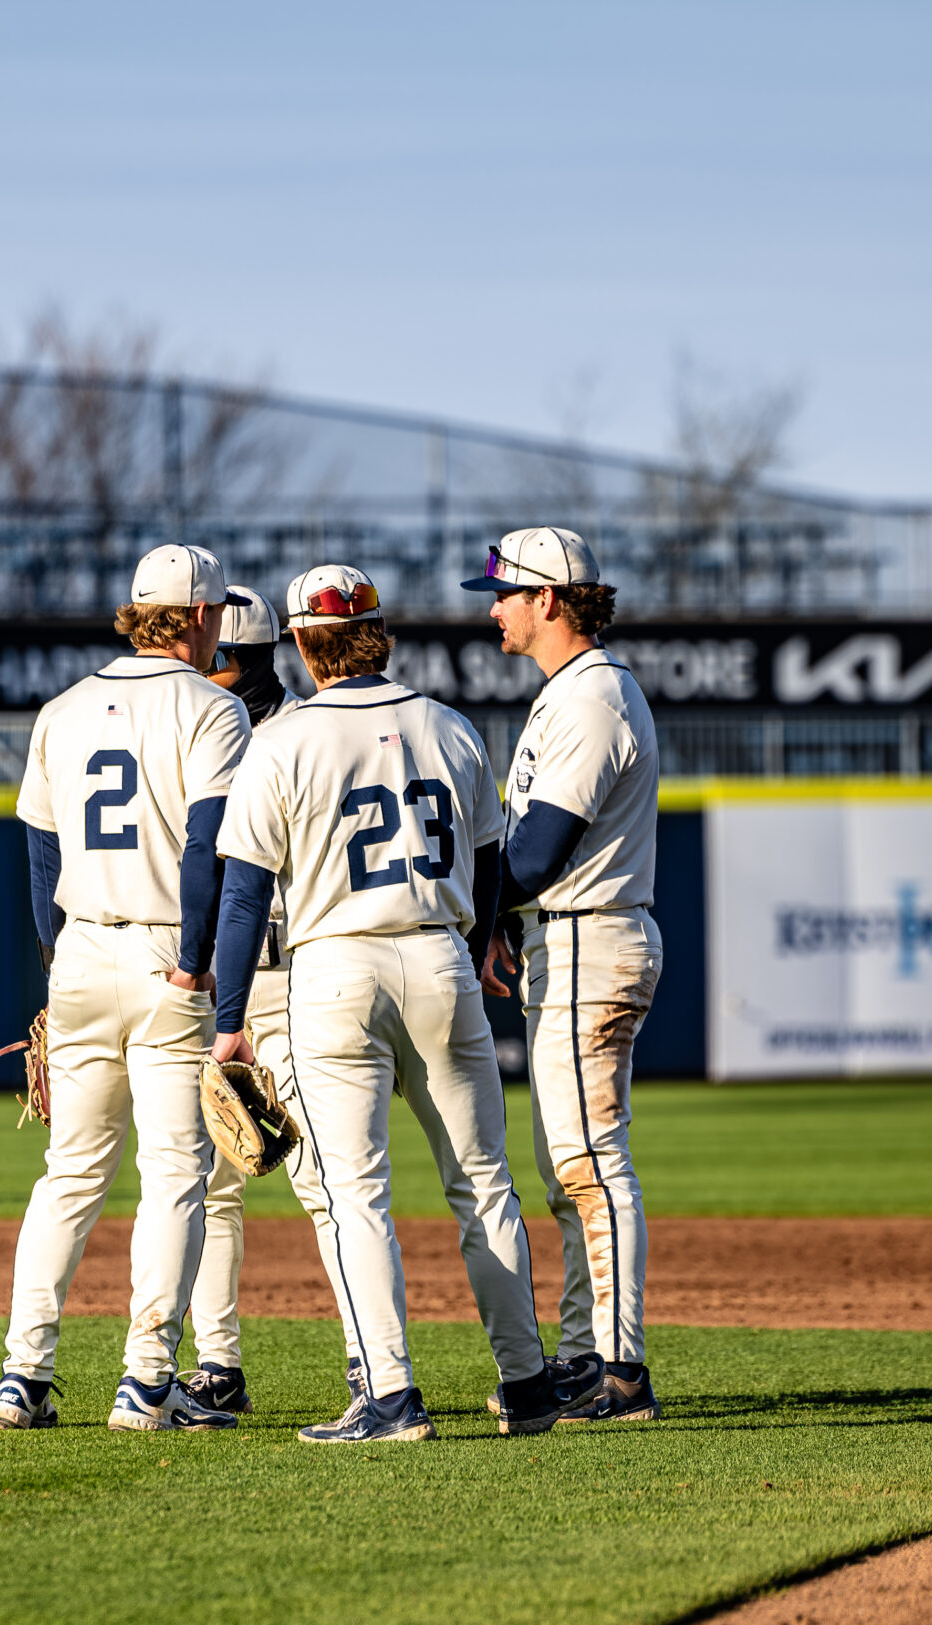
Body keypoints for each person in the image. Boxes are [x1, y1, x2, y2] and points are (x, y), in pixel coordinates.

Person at [210, 563, 560, 1444]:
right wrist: (483, 947)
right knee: (483, 1183)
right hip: (440, 959)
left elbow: (246, 895)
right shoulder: (448, 726)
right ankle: (527, 1383)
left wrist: (226, 1026)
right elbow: (486, 861)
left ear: (299, 644)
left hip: (333, 972)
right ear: (383, 634)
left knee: (355, 1192)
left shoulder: (281, 743)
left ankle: (393, 1397)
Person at [0, 543, 251, 1434]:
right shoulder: (212, 708)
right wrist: (196, 960)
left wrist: (58, 962)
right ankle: (145, 1382)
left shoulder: (59, 710)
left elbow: (40, 856)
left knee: (71, 1174)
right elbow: (210, 845)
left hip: (81, 959)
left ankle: (23, 1376)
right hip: (164, 958)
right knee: (175, 1172)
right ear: (204, 616)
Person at [465, 527, 664, 1424]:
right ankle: (589, 1355)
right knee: (567, 1166)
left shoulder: (594, 698)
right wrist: (505, 918)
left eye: (504, 593)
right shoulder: (569, 694)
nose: (493, 607)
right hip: (566, 935)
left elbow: (540, 850)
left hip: (592, 934)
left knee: (590, 1163)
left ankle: (621, 1371)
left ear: (549, 599)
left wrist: (477, 905)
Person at [175, 584, 357, 1417]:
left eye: (209, 659)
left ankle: (367, 1361)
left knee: (322, 1177)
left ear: (235, 662)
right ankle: (219, 1368)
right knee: (211, 1180)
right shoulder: (194, 730)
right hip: (215, 980)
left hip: (291, 979)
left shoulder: (294, 736)